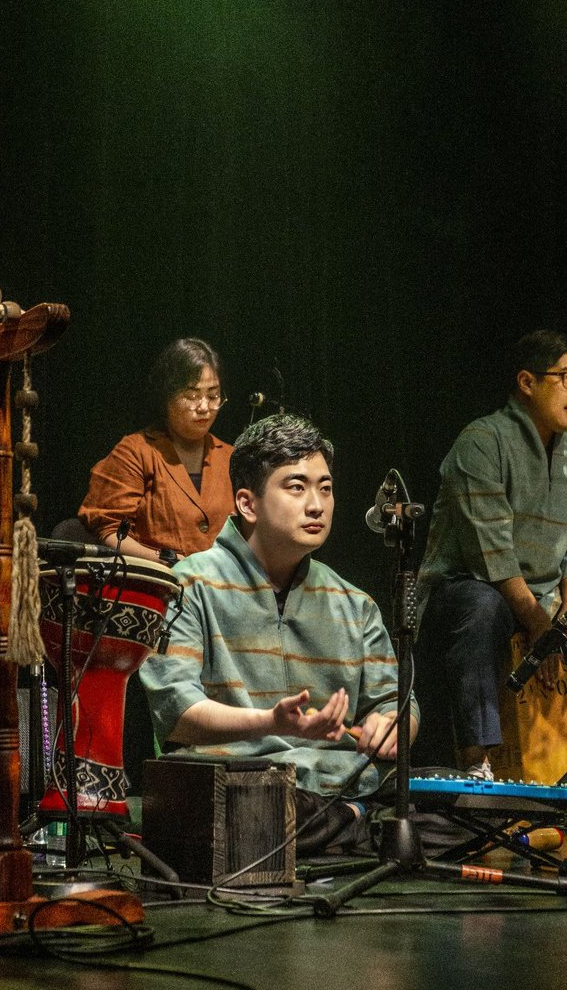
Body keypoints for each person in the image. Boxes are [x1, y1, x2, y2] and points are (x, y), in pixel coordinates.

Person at [140, 412, 419, 853]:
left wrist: (391, 726)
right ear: (248, 504)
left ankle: (353, 821)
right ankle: (356, 827)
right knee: (255, 817)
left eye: (325, 488)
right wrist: (270, 722)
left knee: (453, 809)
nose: (316, 505)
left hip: (338, 788)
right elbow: (177, 712)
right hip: (241, 785)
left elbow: (394, 702)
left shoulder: (354, 603)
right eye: (296, 487)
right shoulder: (188, 585)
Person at [413, 329, 567, 778]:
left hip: (548, 597)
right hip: (472, 589)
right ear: (526, 381)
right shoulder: (482, 441)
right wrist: (541, 625)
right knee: (483, 605)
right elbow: (490, 555)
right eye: (566, 377)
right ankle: (476, 762)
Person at [79, 338, 234, 562]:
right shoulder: (135, 452)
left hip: (222, 589)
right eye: (191, 396)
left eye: (213, 396)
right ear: (167, 396)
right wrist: (166, 561)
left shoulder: (231, 457)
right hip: (158, 584)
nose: (204, 407)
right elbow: (109, 529)